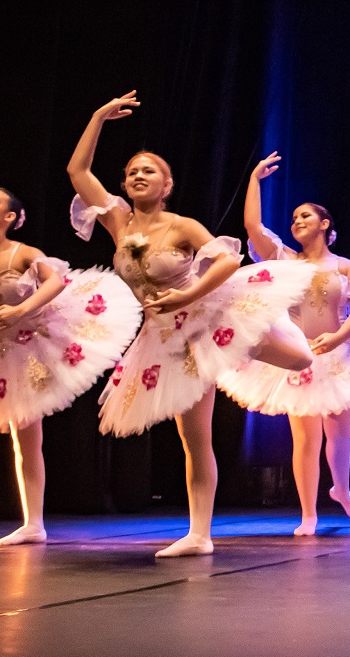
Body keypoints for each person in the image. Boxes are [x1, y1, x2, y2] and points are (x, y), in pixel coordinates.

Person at [67, 91, 315, 557]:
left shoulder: (181, 225)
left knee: (301, 360)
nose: (138, 176)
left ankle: (266, 330)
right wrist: (98, 116)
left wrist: (189, 293)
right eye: (131, 172)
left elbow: (225, 259)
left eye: (149, 171)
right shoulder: (118, 221)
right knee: (193, 436)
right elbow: (78, 173)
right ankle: (199, 534)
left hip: (208, 315)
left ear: (166, 185)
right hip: (166, 338)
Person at [0, 111, 138, 546]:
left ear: (12, 218)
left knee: (29, 434)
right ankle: (33, 522)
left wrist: (20, 313)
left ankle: (35, 522)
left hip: (37, 339)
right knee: (23, 437)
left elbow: (57, 282)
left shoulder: (24, 252)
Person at [219, 153, 350, 535]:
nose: (297, 221)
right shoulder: (284, 260)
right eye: (294, 217)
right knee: (305, 437)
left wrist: (340, 337)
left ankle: (342, 490)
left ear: (325, 224)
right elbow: (252, 224)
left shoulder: (343, 266)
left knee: (340, 432)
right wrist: (254, 179)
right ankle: (309, 514)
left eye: (306, 216)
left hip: (340, 350)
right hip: (299, 355)